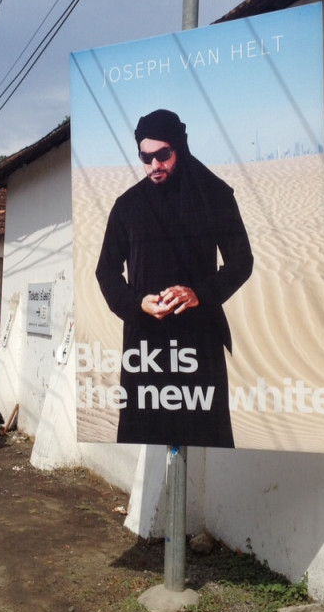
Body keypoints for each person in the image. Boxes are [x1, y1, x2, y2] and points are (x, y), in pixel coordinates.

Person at [95, 109, 253, 447]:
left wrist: (200, 294)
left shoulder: (214, 196)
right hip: (145, 344)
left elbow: (242, 261)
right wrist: (137, 304)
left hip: (199, 342)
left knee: (204, 436)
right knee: (144, 432)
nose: (155, 165)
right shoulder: (127, 206)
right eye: (145, 157)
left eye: (163, 154)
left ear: (179, 147)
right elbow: (106, 271)